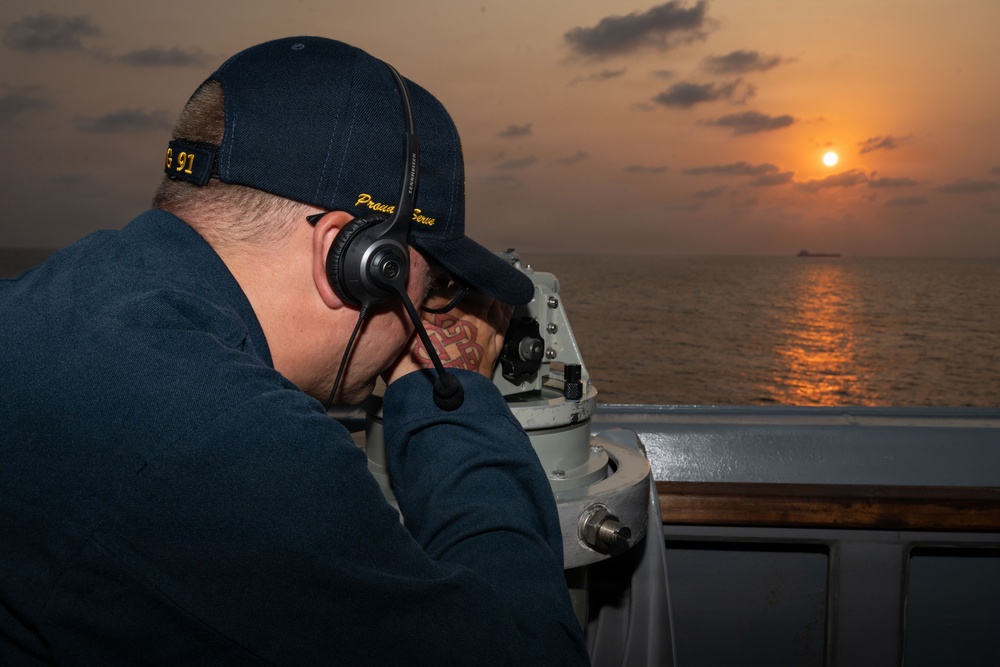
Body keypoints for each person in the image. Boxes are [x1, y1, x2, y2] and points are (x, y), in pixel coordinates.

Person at [0, 36, 589, 665]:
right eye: (434, 278)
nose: (438, 301)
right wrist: (448, 387)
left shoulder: (40, 304)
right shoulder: (231, 448)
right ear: (357, 260)